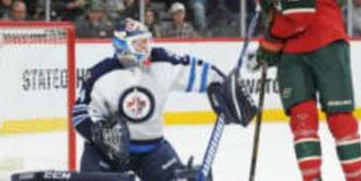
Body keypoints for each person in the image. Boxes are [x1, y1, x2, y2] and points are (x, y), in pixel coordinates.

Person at [72, 18, 257, 181]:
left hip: (152, 149)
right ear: (122, 46)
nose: (146, 48)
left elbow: (200, 70)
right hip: (106, 153)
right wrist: (97, 132)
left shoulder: (162, 60)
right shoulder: (99, 74)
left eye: (146, 42)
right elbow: (79, 114)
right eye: (138, 44)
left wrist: (223, 85)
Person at [252, 0, 361, 181]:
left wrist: (271, 41)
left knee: (339, 116)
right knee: (301, 120)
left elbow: (298, 18)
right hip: (293, 50)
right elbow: (282, 9)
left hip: (324, 44)